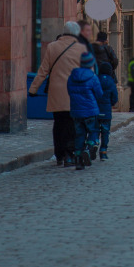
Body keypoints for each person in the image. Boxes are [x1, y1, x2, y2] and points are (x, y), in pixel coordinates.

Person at [29, 22, 89, 166]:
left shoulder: (52, 47)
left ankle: (60, 155)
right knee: (72, 123)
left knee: (59, 123)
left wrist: (33, 89)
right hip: (75, 93)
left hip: (57, 93)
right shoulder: (82, 49)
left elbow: (43, 70)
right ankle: (70, 153)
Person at [67, 51, 103, 170]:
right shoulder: (93, 77)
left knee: (79, 134)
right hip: (90, 111)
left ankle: (78, 159)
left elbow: (69, 92)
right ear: (91, 64)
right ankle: (89, 147)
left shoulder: (72, 77)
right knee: (93, 130)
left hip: (76, 111)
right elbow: (99, 94)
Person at [94, 62, 118, 160]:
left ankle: (94, 144)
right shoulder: (111, 82)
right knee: (105, 132)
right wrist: (111, 104)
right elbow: (115, 97)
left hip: (95, 111)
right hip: (106, 111)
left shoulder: (96, 80)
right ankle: (103, 151)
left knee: (94, 130)